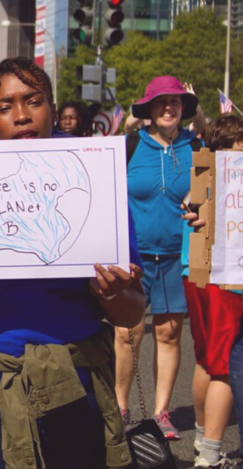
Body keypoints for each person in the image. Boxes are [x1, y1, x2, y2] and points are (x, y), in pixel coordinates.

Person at [0, 57, 145, 468]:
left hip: (73, 380)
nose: (21, 115)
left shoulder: (95, 178)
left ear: (52, 108)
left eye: (33, 101)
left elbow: (131, 311)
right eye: (5, 107)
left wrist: (113, 292)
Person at [115, 76, 202, 440]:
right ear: (149, 109)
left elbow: (211, 193)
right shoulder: (130, 146)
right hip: (134, 256)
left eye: (176, 102)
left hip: (177, 257)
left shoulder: (197, 146)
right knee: (127, 334)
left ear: (183, 109)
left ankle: (162, 411)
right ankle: (120, 409)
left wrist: (202, 210)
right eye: (161, 102)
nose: (168, 107)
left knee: (168, 333)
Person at [184, 114, 243, 468]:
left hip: (200, 275)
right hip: (221, 280)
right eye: (239, 145)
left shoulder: (204, 171)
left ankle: (201, 436)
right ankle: (208, 452)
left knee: (209, 360)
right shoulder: (215, 174)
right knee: (220, 364)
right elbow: (191, 207)